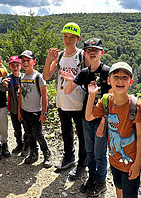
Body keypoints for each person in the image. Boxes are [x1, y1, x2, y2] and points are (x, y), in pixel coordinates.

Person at [86, 62, 141, 198]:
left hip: (130, 162)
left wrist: (137, 163)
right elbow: (89, 117)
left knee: (130, 194)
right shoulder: (106, 101)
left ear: (130, 82)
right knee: (118, 186)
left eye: (125, 77)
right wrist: (91, 95)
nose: (120, 80)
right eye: (116, 76)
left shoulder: (135, 105)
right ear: (109, 80)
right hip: (113, 159)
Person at [63, 38, 111, 197]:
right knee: (90, 152)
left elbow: (112, 99)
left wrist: (104, 120)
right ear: (84, 53)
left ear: (101, 53)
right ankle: (92, 178)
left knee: (100, 153)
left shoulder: (107, 72)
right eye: (89, 50)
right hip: (87, 117)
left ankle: (101, 181)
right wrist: (69, 81)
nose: (92, 53)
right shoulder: (84, 72)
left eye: (95, 50)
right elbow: (68, 91)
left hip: (102, 119)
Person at [43, 22, 87, 178]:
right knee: (66, 132)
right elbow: (46, 76)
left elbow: (89, 76)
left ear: (78, 38)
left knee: (82, 135)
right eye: (65, 36)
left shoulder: (82, 55)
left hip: (79, 102)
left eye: (71, 37)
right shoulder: (60, 55)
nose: (67, 40)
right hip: (62, 101)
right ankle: (69, 157)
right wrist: (49, 60)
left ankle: (82, 163)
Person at [18, 50, 52, 168]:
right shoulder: (22, 77)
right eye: (23, 60)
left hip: (36, 112)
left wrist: (44, 112)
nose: (25, 63)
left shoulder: (38, 76)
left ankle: (46, 152)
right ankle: (33, 153)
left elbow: (44, 96)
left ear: (34, 62)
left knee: (37, 134)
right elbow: (20, 95)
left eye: (28, 60)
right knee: (29, 133)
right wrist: (19, 111)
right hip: (25, 111)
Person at [1, 56, 29, 156]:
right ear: (9, 67)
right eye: (13, 66)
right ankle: (19, 144)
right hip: (13, 109)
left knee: (26, 128)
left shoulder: (25, 77)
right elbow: (3, 90)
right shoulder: (8, 79)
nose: (15, 67)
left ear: (20, 66)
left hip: (25, 108)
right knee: (17, 129)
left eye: (17, 65)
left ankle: (27, 146)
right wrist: (3, 84)